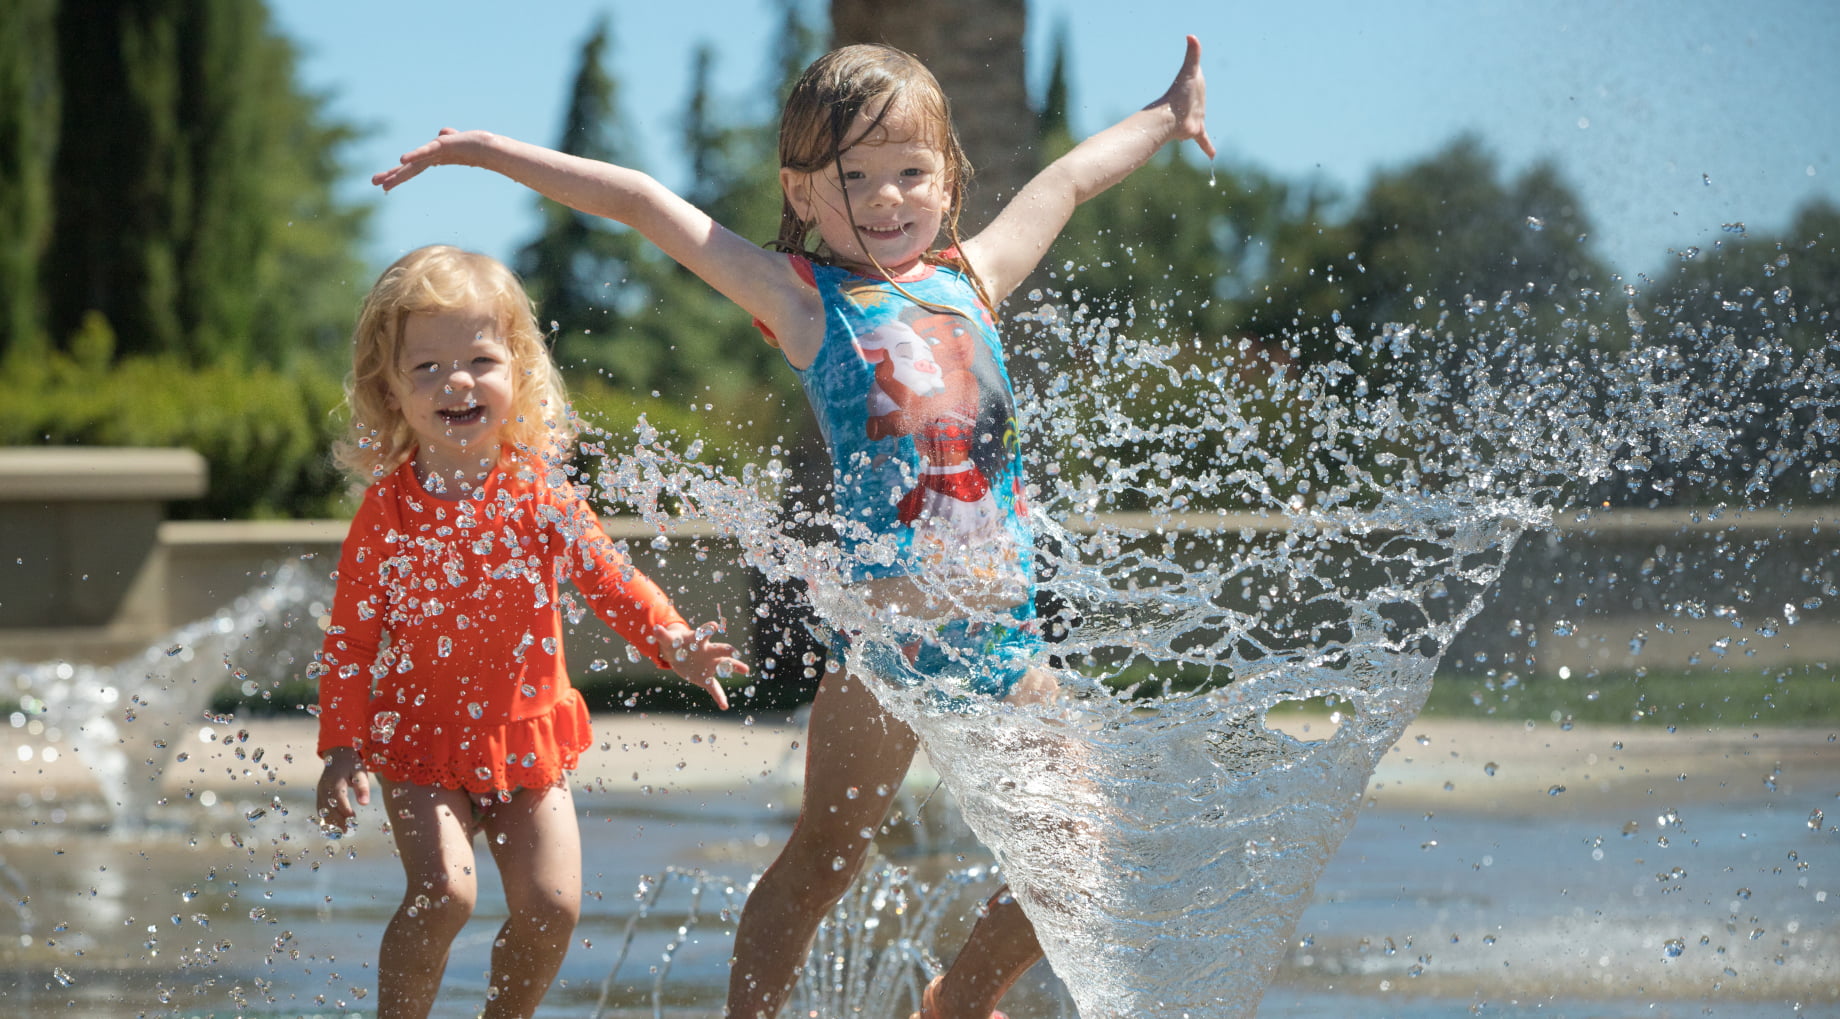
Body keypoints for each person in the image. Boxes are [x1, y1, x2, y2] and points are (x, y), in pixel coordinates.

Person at [371, 35, 1212, 1019]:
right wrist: (488, 152)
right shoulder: (807, 302)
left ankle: (956, 998)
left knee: (1077, 853)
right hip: (885, 654)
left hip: (1005, 641)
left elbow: (1067, 181)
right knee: (825, 859)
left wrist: (1167, 114)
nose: (888, 197)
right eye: (853, 175)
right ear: (802, 192)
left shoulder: (975, 280)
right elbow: (646, 203)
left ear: (949, 180)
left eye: (911, 171)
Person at [311, 244, 747, 1019]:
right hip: (417, 740)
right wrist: (342, 744)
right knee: (444, 892)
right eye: (427, 368)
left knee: (553, 905)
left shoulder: (537, 493)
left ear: (518, 370)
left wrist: (676, 641)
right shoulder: (388, 512)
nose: (457, 381)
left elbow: (612, 579)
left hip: (523, 738)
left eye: (480, 358)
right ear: (392, 390)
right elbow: (349, 641)